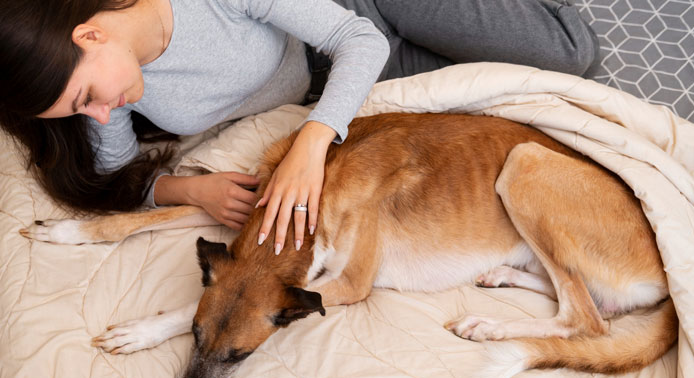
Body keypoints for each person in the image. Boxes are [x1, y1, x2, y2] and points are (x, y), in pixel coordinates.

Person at [0, 0, 599, 254]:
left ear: (91, 35)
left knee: (571, 51)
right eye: (81, 113)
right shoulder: (116, 89)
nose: (99, 116)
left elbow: (354, 38)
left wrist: (312, 143)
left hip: (362, 16)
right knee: (505, 91)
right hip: (341, 77)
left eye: (86, 98)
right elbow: (112, 172)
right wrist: (188, 189)